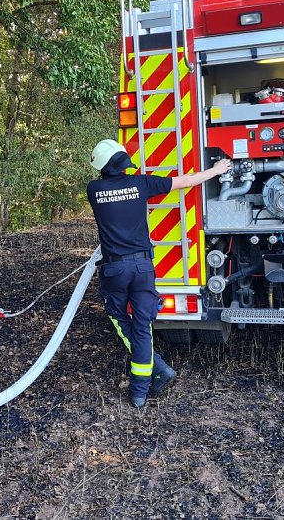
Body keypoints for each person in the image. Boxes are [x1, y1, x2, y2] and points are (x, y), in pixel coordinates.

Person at [87, 139, 232, 409]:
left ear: (101, 167)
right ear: (123, 164)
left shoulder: (94, 190)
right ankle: (142, 390)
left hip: (115, 269)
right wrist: (217, 170)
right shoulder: (140, 184)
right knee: (143, 327)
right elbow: (185, 181)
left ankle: (156, 374)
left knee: (119, 317)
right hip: (143, 268)